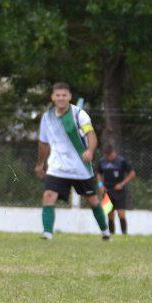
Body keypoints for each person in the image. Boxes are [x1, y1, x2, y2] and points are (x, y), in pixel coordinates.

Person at [34, 83, 110, 240]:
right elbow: (43, 142)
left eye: (64, 95)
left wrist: (89, 150)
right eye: (58, 95)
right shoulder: (47, 117)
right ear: (53, 97)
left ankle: (105, 231)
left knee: (93, 200)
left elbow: (91, 135)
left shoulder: (79, 114)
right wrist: (40, 163)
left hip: (80, 167)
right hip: (57, 167)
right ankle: (47, 233)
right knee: (48, 195)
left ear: (69, 97)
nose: (61, 98)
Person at [97, 144, 136, 235]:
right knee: (109, 214)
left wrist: (122, 184)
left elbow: (132, 173)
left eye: (109, 155)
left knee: (120, 213)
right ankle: (111, 233)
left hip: (119, 191)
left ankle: (124, 233)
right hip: (106, 191)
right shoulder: (102, 161)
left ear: (113, 153)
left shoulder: (121, 161)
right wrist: (100, 185)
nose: (107, 157)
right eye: (105, 155)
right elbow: (98, 174)